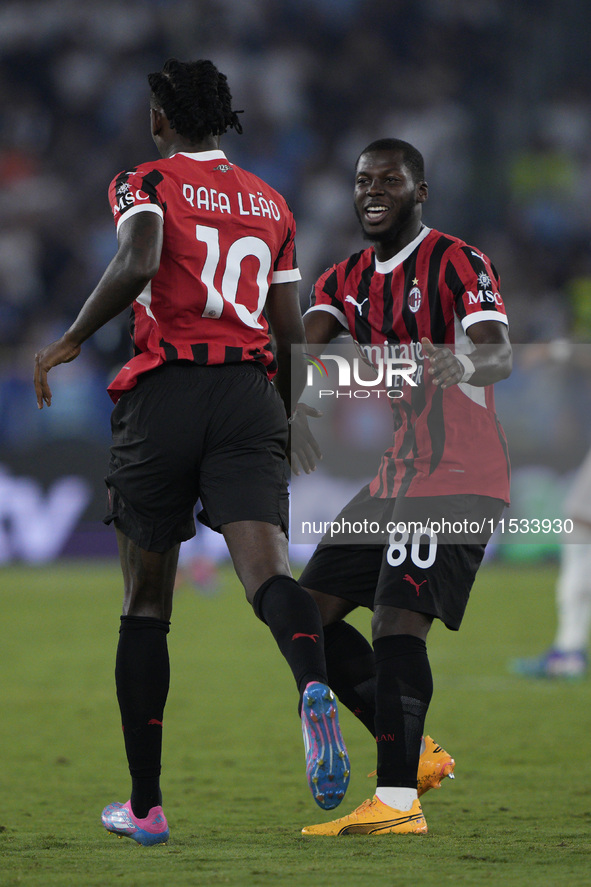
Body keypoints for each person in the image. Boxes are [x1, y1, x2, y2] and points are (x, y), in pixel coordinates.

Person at [34, 58, 349, 846]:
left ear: (161, 119)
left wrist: (73, 337)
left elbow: (140, 259)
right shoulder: (271, 200)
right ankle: (313, 685)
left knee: (146, 604)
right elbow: (285, 332)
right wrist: (290, 416)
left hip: (164, 392)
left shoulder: (143, 182)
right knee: (269, 574)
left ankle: (145, 806)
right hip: (247, 396)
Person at [291, 138, 512, 836]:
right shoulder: (343, 278)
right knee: (307, 614)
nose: (371, 190)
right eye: (362, 180)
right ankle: (410, 750)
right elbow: (298, 354)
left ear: (419, 192)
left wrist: (464, 363)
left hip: (455, 476)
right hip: (395, 476)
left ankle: (394, 803)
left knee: (394, 622)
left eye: (388, 179)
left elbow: (497, 348)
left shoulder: (456, 261)